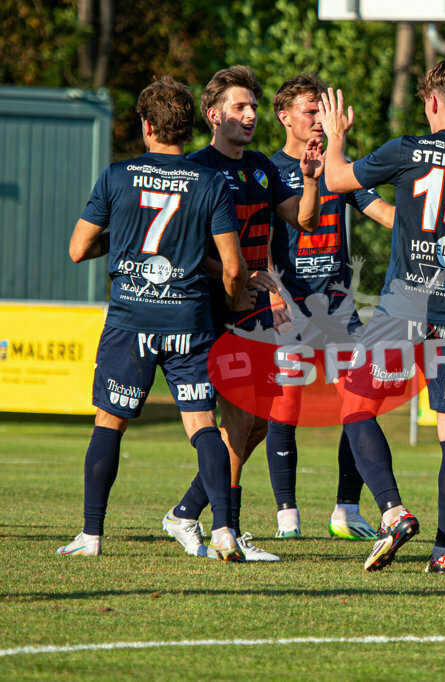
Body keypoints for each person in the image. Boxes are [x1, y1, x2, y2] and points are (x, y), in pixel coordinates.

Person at [318, 60, 445, 573]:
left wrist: (336, 136)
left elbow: (337, 178)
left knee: (356, 405)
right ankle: (444, 550)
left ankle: (393, 511)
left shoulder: (408, 149)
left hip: (404, 305)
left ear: (432, 102)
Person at [58, 76, 249, 562]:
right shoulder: (210, 182)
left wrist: (122, 237)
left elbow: (78, 249)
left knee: (110, 422)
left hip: (131, 319)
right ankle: (224, 531)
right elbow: (232, 269)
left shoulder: (117, 176)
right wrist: (235, 301)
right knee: (202, 425)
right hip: (188, 320)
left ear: (146, 126)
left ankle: (91, 536)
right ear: (188, 128)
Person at [163, 65, 322, 562]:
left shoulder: (260, 167)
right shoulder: (196, 169)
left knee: (256, 424)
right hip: (214, 309)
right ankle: (226, 530)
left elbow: (304, 219)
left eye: (253, 106)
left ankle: (186, 512)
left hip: (253, 310)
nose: (251, 114)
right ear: (214, 115)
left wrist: (311, 181)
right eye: (240, 106)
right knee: (237, 417)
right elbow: (181, 249)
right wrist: (237, 275)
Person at [266, 72, 395, 540]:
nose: (319, 120)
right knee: (286, 409)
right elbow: (257, 237)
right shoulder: (268, 171)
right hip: (290, 308)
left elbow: (387, 216)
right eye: (310, 112)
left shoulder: (340, 170)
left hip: (340, 311)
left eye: (323, 112)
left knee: (361, 402)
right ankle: (287, 515)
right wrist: (273, 294)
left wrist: (432, 225)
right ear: (284, 117)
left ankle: (347, 509)